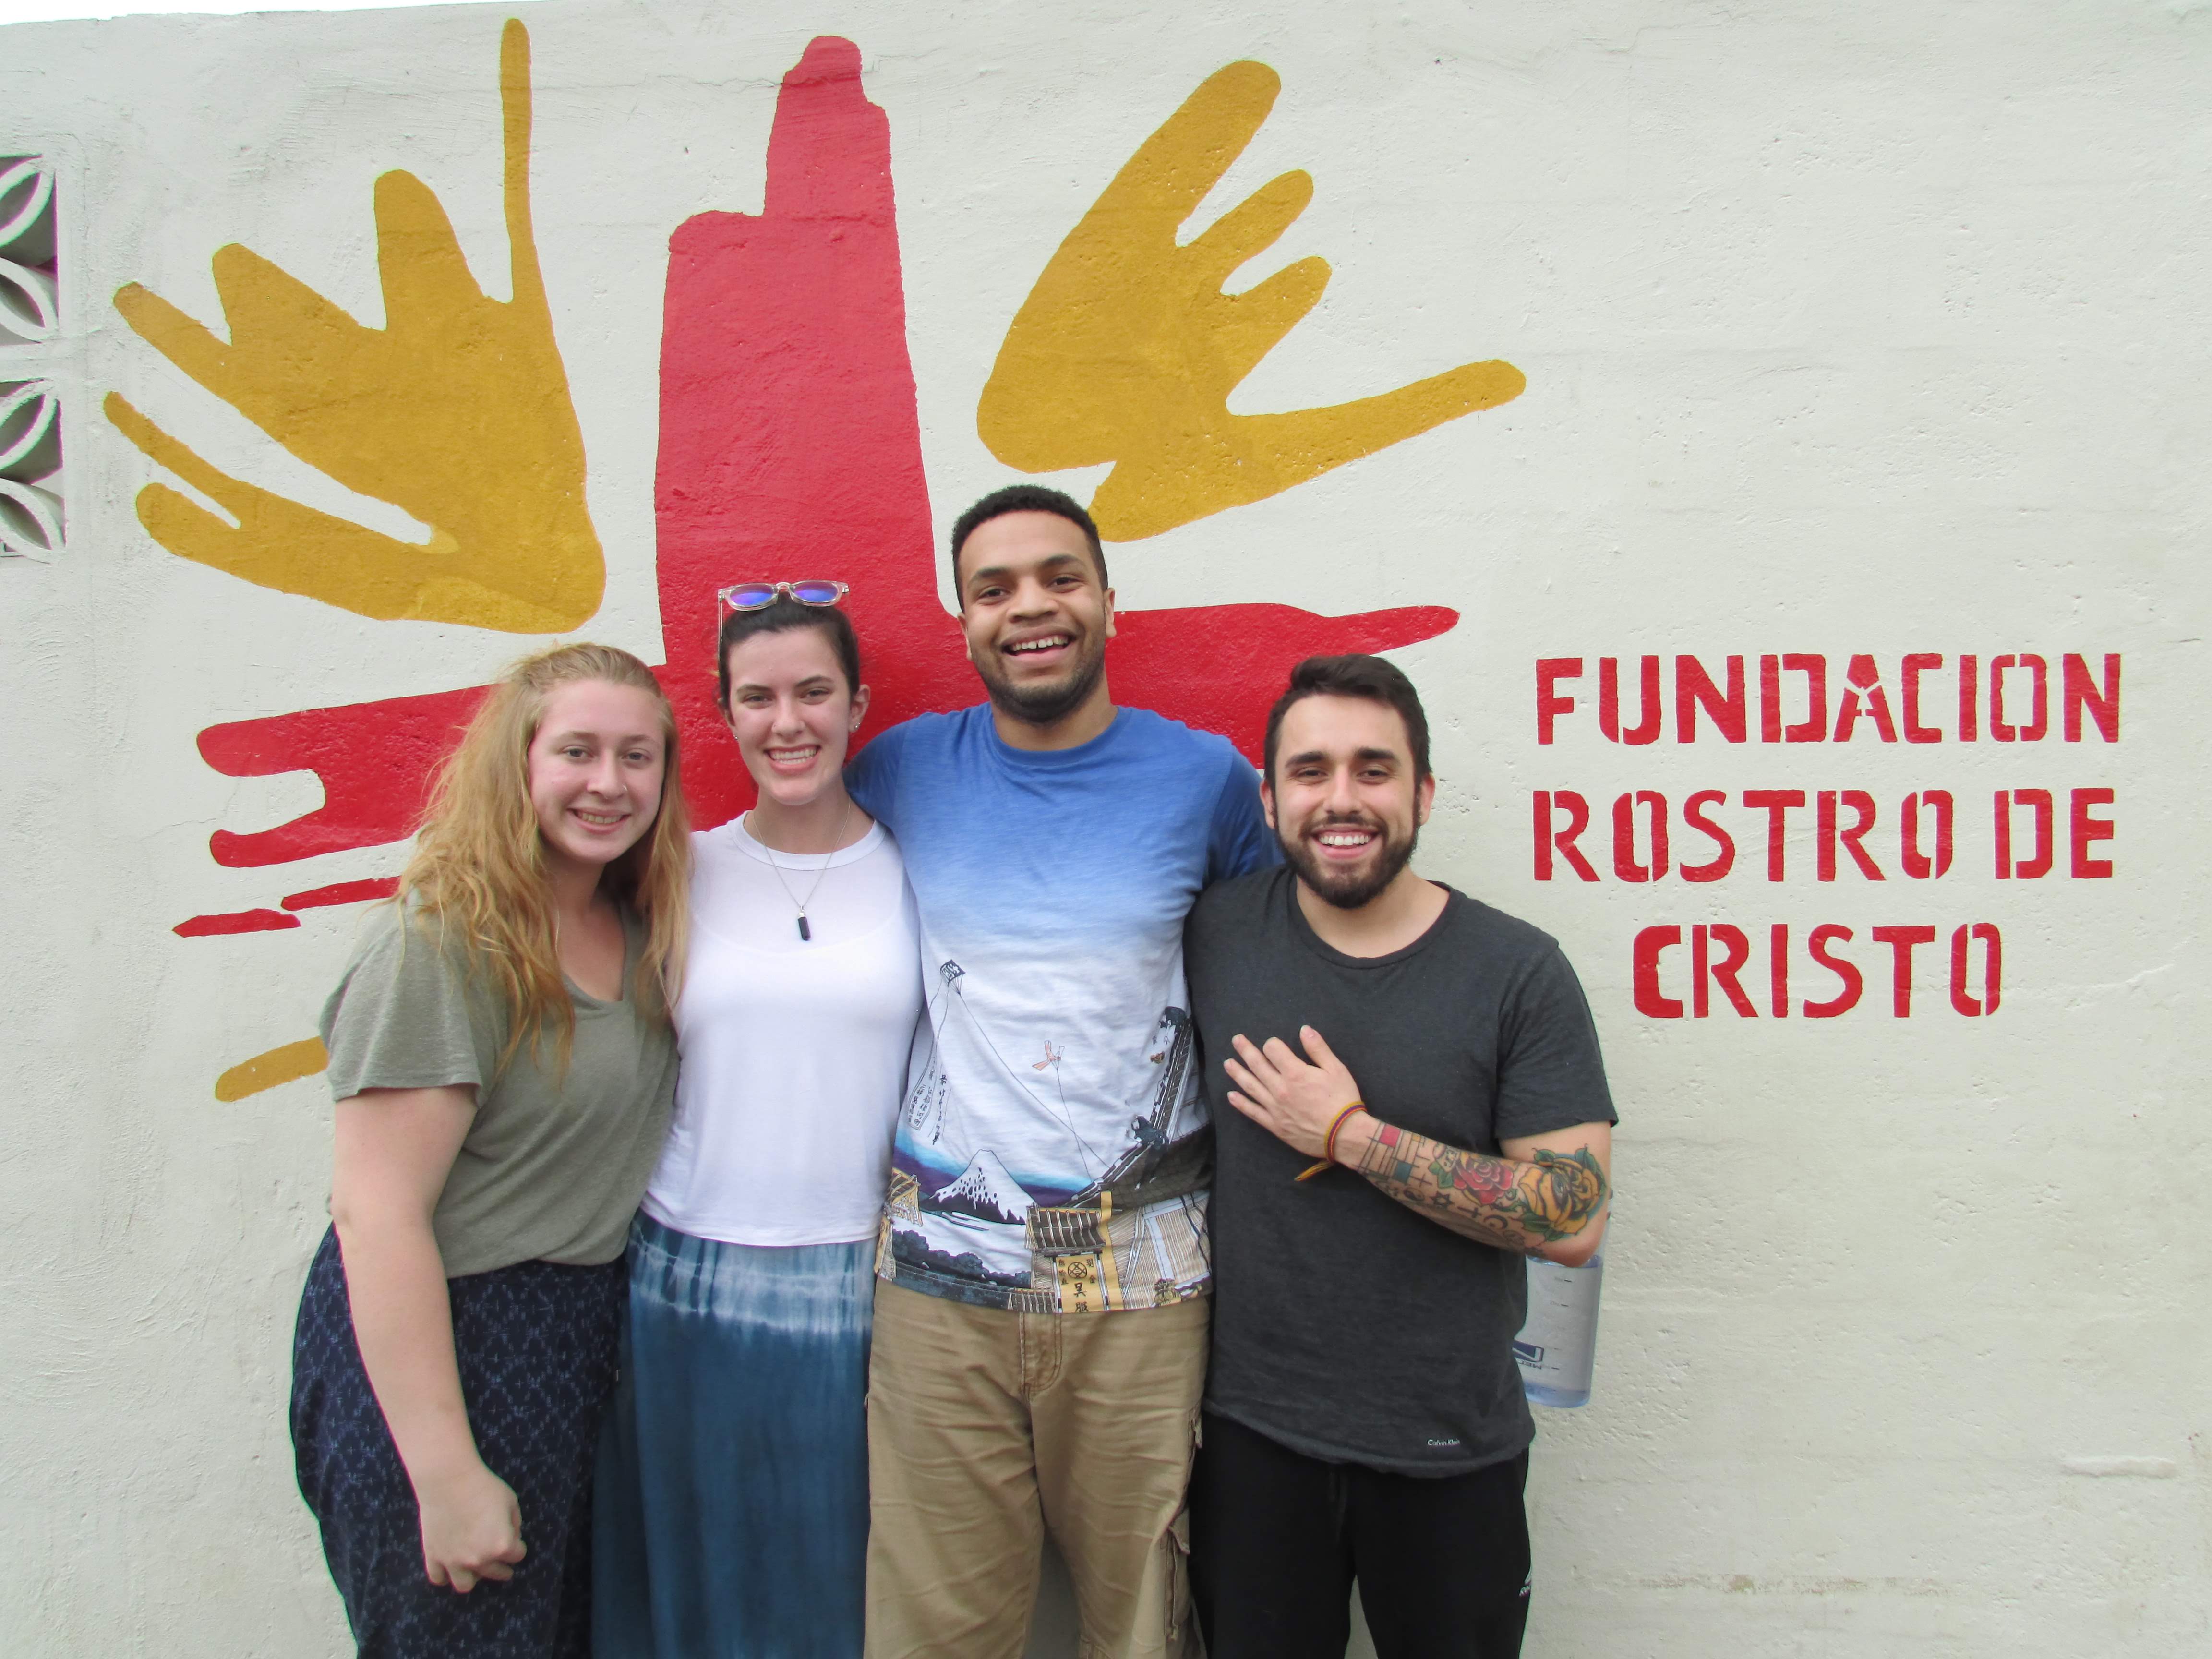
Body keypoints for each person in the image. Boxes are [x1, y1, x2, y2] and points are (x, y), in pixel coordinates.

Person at [845, 484, 1276, 1659]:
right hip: (940, 1288)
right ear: (964, 620)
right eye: (995, 589)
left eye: (1058, 578)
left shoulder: (1208, 783)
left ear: (1107, 604)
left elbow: (1281, 964)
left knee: (1140, 1624)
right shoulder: (898, 772)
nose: (1030, 608)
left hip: (1143, 1296)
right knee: (934, 1628)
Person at [1182, 653, 1616, 1659]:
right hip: (1252, 1446)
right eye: (1312, 771)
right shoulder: (1212, 937)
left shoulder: (1517, 972)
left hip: (1449, 1453)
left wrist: (1351, 1137)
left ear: (1422, 792)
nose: (1342, 799)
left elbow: (1572, 1217)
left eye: (1374, 771)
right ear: (1269, 796)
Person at [289, 642, 690, 1658]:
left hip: (575, 1342)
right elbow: (374, 1214)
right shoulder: (445, 940)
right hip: (450, 1343)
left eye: (638, 757)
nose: (609, 783)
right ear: (519, 762)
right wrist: (445, 1470)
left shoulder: (635, 926)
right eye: (578, 752)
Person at [594, 587, 922, 1658]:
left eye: (815, 692)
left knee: (843, 1590)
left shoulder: (921, 870)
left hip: (867, 1286)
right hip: (687, 1278)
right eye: (759, 697)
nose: (789, 722)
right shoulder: (673, 869)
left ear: (858, 703)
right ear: (726, 716)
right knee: (700, 1584)